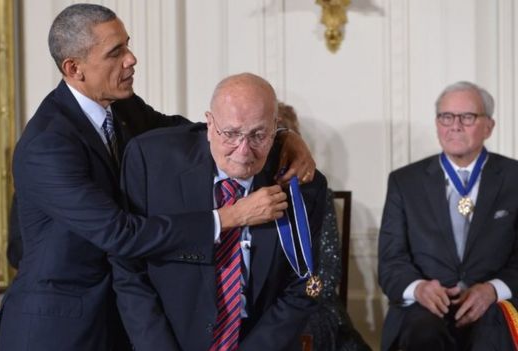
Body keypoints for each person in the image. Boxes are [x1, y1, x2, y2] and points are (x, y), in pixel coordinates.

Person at [0, 4, 317, 351]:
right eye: (115, 52)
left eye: (127, 46)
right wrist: (230, 217)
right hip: (56, 330)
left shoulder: (121, 107)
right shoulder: (46, 144)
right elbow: (120, 233)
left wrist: (279, 135)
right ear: (74, 68)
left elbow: (194, 133)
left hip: (114, 321)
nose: (131, 59)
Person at [111, 73, 327, 351]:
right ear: (209, 125)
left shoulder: (301, 186)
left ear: (276, 128)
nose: (244, 150)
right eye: (232, 133)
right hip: (169, 338)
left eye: (259, 135)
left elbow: (303, 288)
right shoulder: (151, 162)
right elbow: (128, 269)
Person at [378, 81, 518, 350]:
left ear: (489, 126)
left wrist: (492, 289)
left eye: (467, 117)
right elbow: (391, 261)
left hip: (494, 303)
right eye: (446, 116)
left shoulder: (514, 178)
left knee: (492, 331)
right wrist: (418, 288)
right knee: (422, 332)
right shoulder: (404, 181)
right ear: (437, 123)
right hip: (426, 307)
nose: (455, 125)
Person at [278, 102, 371, 351]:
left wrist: (298, 299)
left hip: (315, 301)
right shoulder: (244, 195)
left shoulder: (316, 192)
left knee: (312, 326)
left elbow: (329, 270)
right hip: (265, 307)